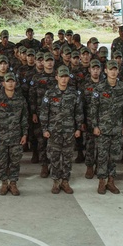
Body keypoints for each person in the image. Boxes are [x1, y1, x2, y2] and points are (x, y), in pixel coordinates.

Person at [40, 66, 83, 194]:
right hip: (54, 132)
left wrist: (78, 128)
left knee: (67, 157)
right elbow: (44, 112)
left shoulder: (74, 94)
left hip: (69, 131)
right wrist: (44, 129)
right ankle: (56, 181)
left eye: (66, 77)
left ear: (68, 78)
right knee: (54, 157)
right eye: (61, 77)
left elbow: (78, 112)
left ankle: (65, 181)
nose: (64, 79)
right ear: (56, 77)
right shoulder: (50, 93)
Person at [88, 60, 123, 195]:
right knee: (102, 156)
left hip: (117, 128)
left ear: (118, 71)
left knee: (114, 156)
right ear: (105, 71)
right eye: (110, 69)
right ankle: (101, 181)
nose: (113, 72)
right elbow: (94, 108)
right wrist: (95, 126)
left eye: (115, 69)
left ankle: (111, 181)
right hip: (103, 128)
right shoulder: (99, 88)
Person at [0, 71, 29, 196]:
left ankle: (13, 183)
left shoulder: (21, 99)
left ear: (15, 83)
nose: (10, 83)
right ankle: (4, 183)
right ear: (3, 83)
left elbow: (24, 118)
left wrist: (25, 134)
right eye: (8, 81)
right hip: (1, 136)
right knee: (2, 160)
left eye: (12, 81)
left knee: (15, 160)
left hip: (16, 136)